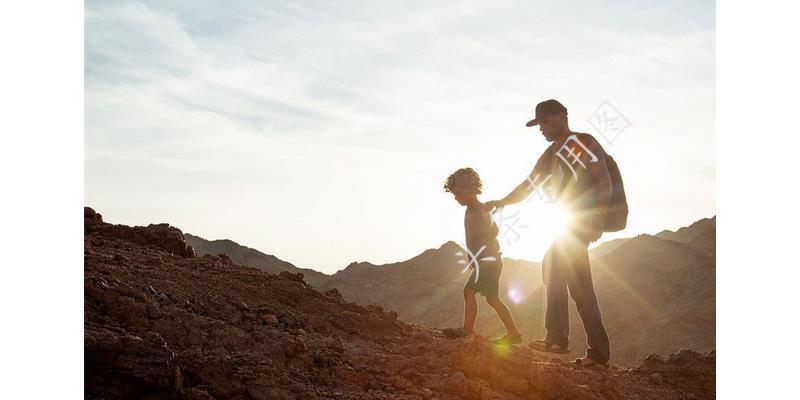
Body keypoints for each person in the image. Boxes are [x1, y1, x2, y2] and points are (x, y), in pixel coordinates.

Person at [485, 99, 612, 368]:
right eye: (538, 124)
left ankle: (566, 341)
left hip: (583, 220)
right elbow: (529, 185)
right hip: (568, 222)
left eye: (543, 122)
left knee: (560, 269)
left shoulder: (583, 142)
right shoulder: (550, 155)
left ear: (561, 116)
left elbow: (603, 179)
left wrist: (599, 216)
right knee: (571, 279)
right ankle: (580, 347)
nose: (540, 128)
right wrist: (502, 202)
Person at [441, 167, 522, 345]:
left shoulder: (479, 209)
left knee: (468, 290)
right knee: (493, 299)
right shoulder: (471, 210)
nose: (456, 198)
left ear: (470, 189)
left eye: (459, 193)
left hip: (488, 261)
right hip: (488, 261)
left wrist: (479, 251)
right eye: (454, 194)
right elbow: (473, 236)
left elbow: (493, 231)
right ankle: (514, 334)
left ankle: (467, 330)